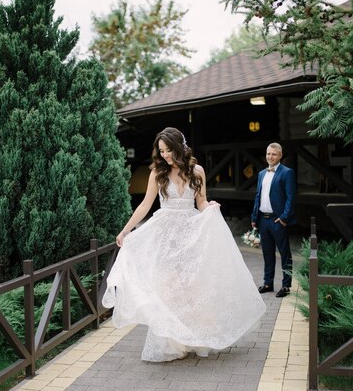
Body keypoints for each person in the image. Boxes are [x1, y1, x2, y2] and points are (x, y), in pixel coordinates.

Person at [102, 127, 266, 362]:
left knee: (191, 287)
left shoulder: (196, 171)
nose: (165, 155)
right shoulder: (157, 172)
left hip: (190, 234)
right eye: (161, 151)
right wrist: (126, 229)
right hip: (165, 237)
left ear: (179, 147)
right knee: (168, 288)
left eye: (168, 150)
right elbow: (145, 205)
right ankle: (174, 343)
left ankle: (193, 337)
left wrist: (210, 208)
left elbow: (201, 202)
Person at [251, 142, 297, 298]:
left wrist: (284, 218)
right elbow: (258, 196)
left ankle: (286, 285)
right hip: (263, 220)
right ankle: (268, 283)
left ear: (280, 155)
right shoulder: (262, 174)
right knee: (267, 253)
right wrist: (254, 217)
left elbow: (291, 198)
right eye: (268, 154)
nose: (270, 157)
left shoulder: (287, 172)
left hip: (278, 220)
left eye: (274, 154)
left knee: (284, 253)